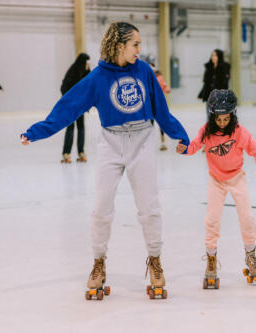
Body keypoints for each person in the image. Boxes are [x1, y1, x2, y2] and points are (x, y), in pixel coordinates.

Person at [20, 22, 189, 299]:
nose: (139, 49)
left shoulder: (144, 71)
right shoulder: (98, 77)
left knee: (149, 207)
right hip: (111, 142)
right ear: (120, 45)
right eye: (135, 44)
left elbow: (162, 110)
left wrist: (179, 136)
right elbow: (68, 106)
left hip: (143, 140)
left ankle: (155, 260)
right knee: (101, 208)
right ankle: (99, 263)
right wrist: (37, 132)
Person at [176, 89, 256, 288]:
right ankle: (211, 260)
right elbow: (194, 145)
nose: (222, 123)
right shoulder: (206, 130)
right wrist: (185, 149)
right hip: (216, 180)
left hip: (237, 178)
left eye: (226, 119)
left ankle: (251, 256)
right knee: (212, 220)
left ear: (233, 115)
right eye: (219, 119)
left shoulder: (239, 131)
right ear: (212, 116)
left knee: (247, 218)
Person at [59, 53, 91, 163]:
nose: (88, 65)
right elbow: (63, 88)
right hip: (71, 106)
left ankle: (81, 152)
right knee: (70, 127)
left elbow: (90, 89)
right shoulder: (72, 72)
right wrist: (68, 102)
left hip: (80, 106)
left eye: (89, 63)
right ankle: (66, 153)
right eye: (86, 63)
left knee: (81, 128)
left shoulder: (87, 73)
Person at [198, 49, 230, 116]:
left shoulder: (224, 67)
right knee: (209, 116)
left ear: (219, 56)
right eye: (212, 55)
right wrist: (201, 94)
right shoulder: (209, 68)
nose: (213, 57)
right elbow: (206, 83)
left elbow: (225, 83)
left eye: (215, 55)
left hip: (220, 97)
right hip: (209, 96)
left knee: (219, 116)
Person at [149, 62, 171, 151]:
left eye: (152, 67)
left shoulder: (159, 77)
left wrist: (166, 89)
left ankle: (163, 143)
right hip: (150, 105)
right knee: (150, 124)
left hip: (159, 104)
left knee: (162, 124)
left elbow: (164, 86)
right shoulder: (145, 77)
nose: (150, 69)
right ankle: (149, 143)